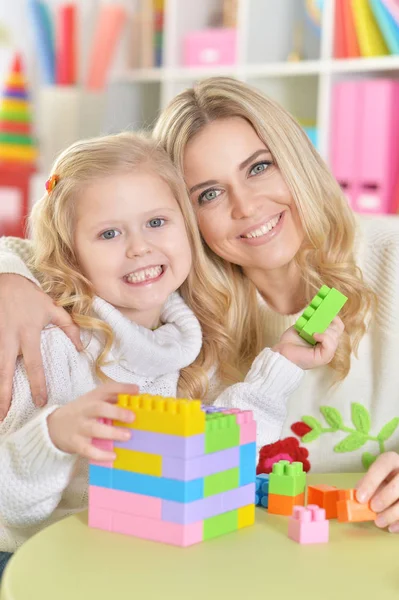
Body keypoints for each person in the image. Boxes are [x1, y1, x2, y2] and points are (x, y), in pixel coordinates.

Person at [1, 77, 397, 528]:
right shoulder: (176, 304)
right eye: (209, 193)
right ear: (189, 217)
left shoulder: (391, 255)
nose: (246, 207)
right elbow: (43, 249)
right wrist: (9, 281)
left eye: (259, 167)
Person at [0, 131, 341, 577]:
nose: (139, 247)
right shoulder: (50, 343)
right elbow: (11, 507)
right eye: (108, 233)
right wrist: (53, 437)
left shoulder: (194, 341)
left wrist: (282, 364)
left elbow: (217, 462)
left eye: (157, 222)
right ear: (70, 253)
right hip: (33, 562)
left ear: (189, 229)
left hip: (137, 558)